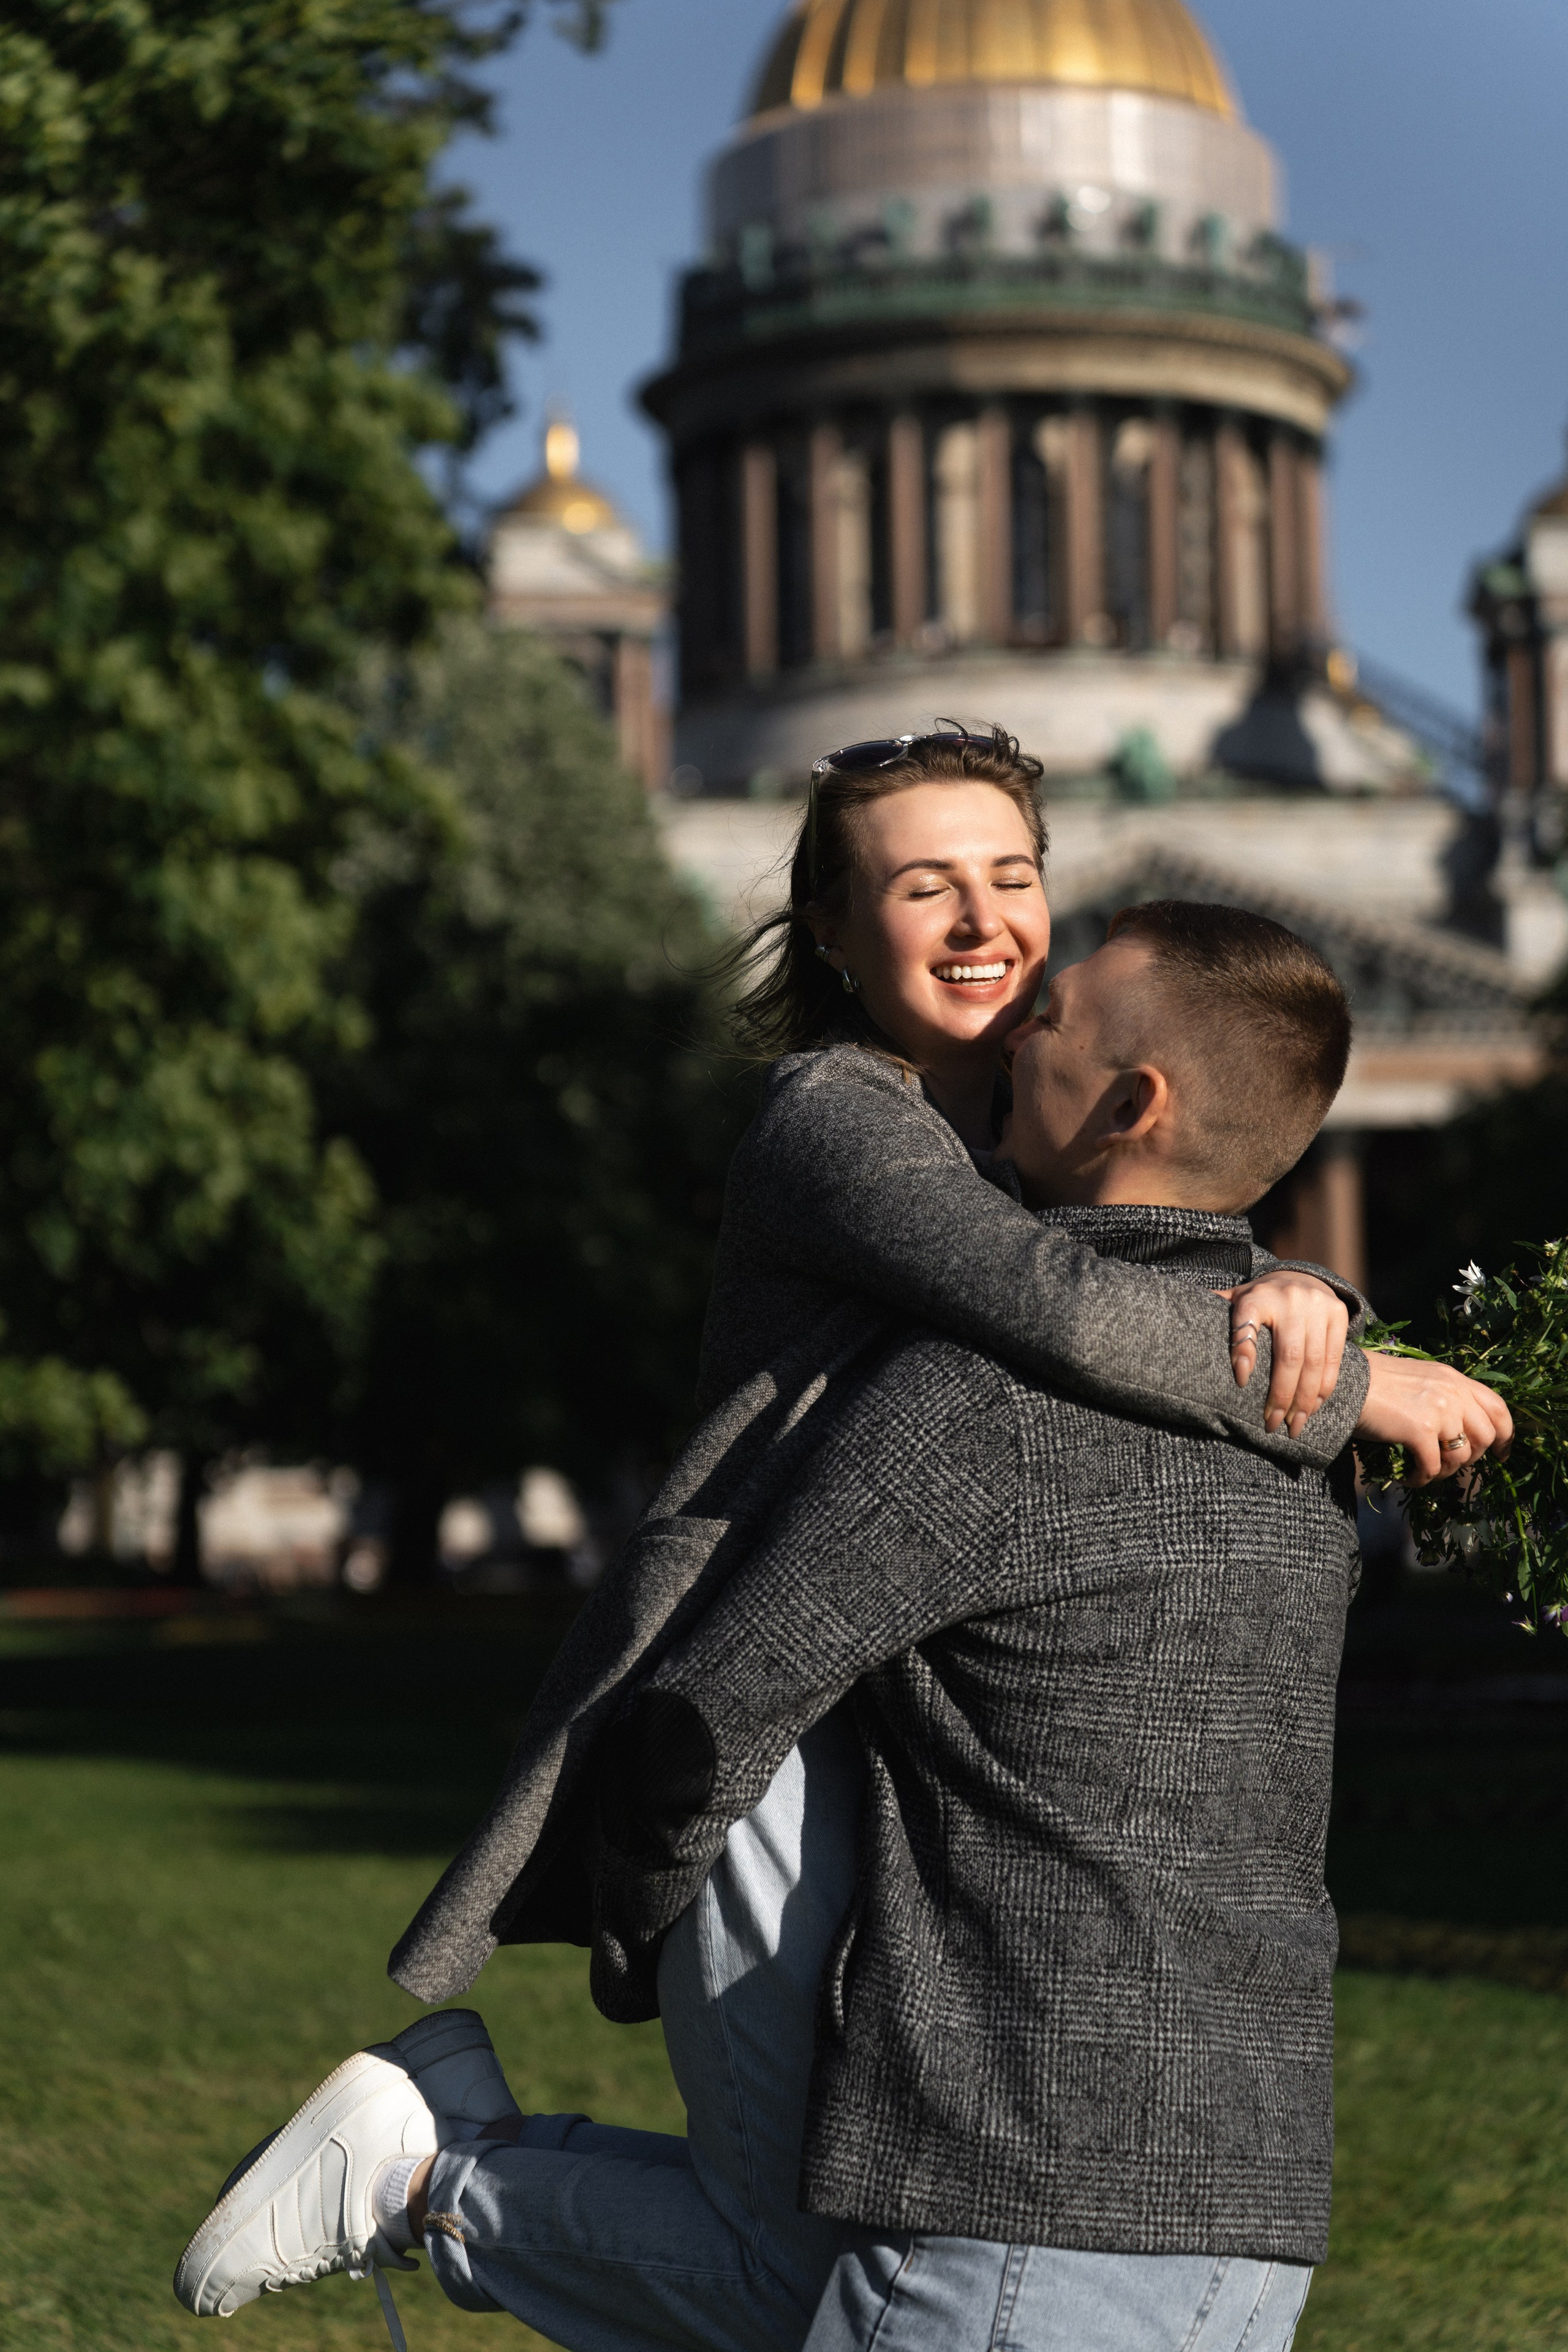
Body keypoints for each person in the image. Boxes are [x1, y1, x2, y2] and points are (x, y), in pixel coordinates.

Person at [175, 739, 1508, 2343]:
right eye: (924, 883)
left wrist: (1293, 1285)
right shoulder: (838, 1119)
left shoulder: (1024, 1143)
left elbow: (1167, 1202)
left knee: (813, 2271)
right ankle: (432, 2175)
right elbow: (1059, 1300)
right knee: (817, 2253)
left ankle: (427, 2166)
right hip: (764, 1729)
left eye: (1013, 876)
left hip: (914, 1730)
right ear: (830, 930)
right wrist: (1340, 1376)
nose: (987, 923)